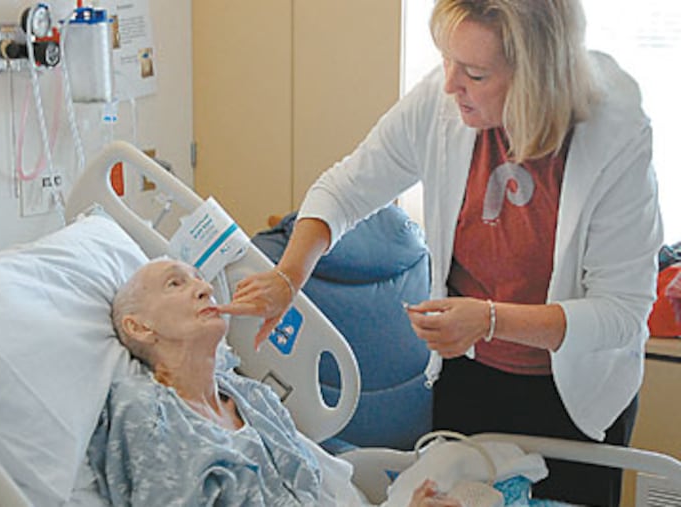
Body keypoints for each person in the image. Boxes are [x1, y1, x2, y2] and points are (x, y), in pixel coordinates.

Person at [217, 1, 663, 506]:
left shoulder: (615, 134)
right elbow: (344, 191)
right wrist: (288, 277)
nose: (450, 84)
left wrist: (491, 319)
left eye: (474, 73)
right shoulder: (442, 100)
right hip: (470, 374)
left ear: (537, 77)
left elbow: (623, 311)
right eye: (447, 60)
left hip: (576, 393)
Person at [87, 258, 463, 506]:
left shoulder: (253, 399)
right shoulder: (146, 413)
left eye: (200, 280)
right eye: (175, 284)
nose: (204, 289)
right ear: (139, 327)